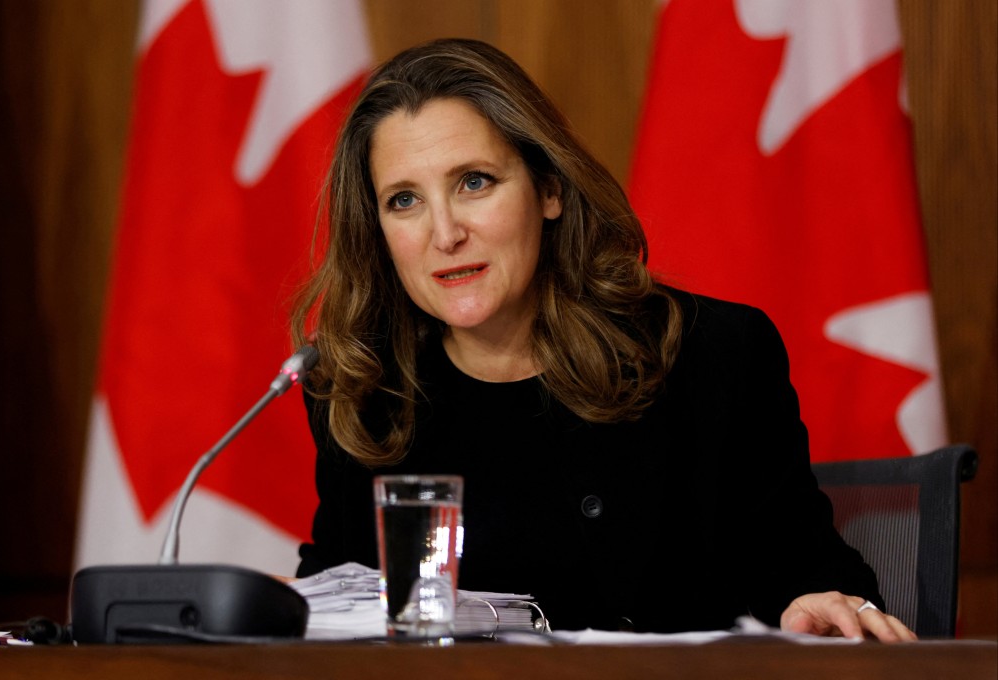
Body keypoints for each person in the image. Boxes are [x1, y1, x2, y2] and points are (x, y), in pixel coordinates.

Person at [290, 37, 915, 642]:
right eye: (405, 200)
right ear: (377, 231)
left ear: (550, 189)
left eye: (474, 182)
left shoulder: (709, 355)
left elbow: (810, 571)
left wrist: (821, 604)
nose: (444, 232)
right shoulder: (363, 395)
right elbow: (333, 606)